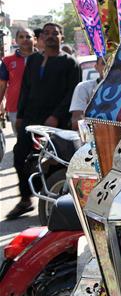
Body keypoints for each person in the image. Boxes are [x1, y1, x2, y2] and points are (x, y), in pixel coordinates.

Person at [8, 23, 81, 219]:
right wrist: (21, 115)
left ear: (61, 38)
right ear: (41, 39)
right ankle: (25, 200)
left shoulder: (70, 63)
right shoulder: (33, 60)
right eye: (46, 33)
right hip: (30, 119)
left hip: (56, 123)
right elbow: (25, 89)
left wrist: (56, 116)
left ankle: (53, 200)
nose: (50, 36)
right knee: (20, 157)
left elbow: (71, 94)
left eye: (54, 33)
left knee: (53, 162)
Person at [0, 29, 36, 127]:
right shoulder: (7, 61)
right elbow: (2, 85)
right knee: (20, 139)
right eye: (21, 37)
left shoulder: (44, 58)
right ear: (16, 40)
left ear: (35, 40)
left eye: (28, 37)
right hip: (15, 107)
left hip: (40, 107)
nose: (25, 39)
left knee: (39, 140)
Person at [69, 56, 106, 127]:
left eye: (113, 62)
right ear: (96, 67)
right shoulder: (83, 87)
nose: (109, 65)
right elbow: (76, 122)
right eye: (105, 62)